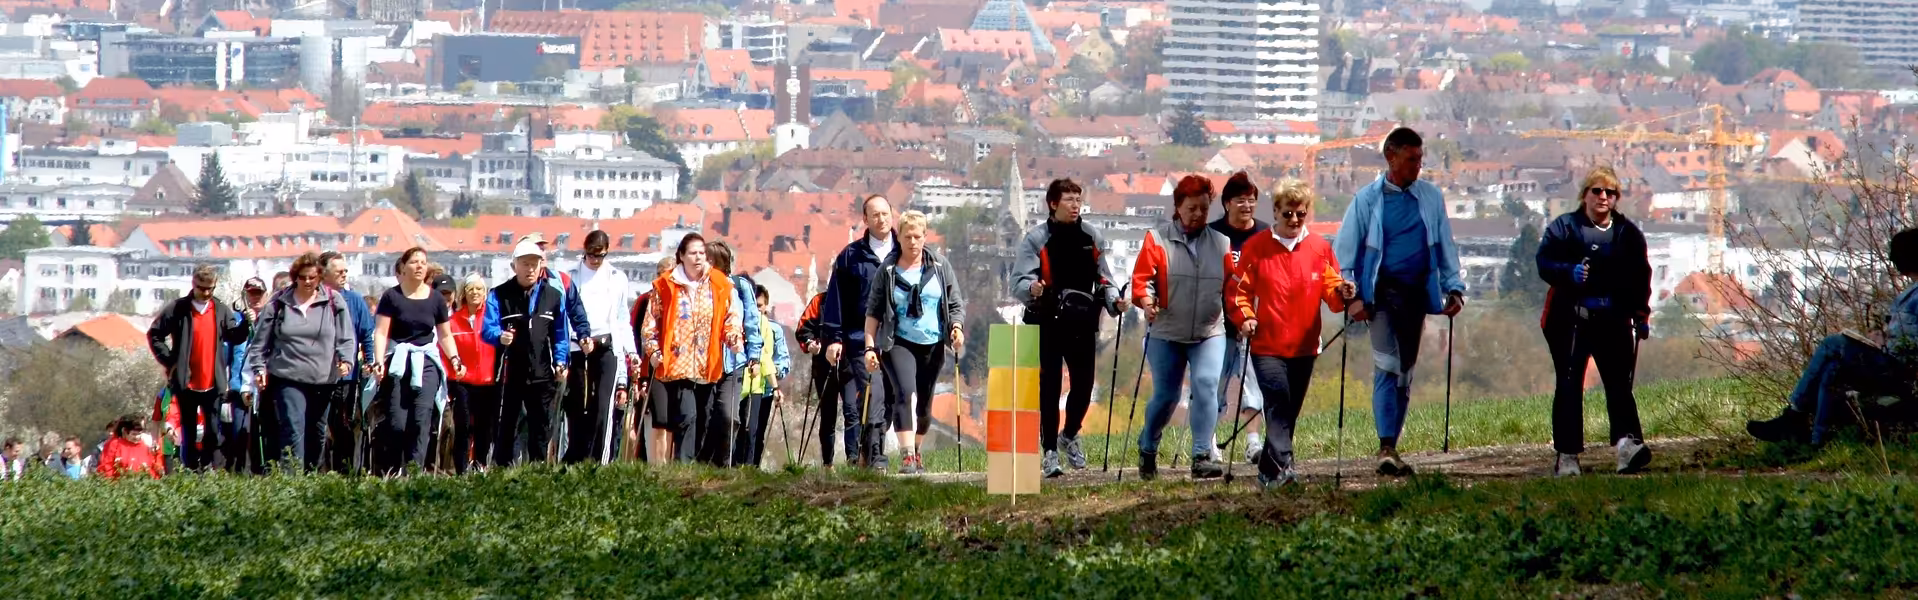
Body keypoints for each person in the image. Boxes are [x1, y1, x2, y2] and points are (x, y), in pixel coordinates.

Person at [1333, 127, 1467, 477]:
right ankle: (1385, 445)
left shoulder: (1431, 198)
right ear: (1391, 157)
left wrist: (1454, 288)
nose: (1417, 166)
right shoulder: (1367, 200)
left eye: (1420, 159)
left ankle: (1393, 444)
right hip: (1379, 297)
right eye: (1411, 159)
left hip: (1416, 296)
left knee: (1405, 372)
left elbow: (1444, 246)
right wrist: (1353, 298)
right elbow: (1344, 255)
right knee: (1387, 364)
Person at [1227, 179, 1355, 489]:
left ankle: (1268, 472)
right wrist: (1246, 318)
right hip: (1267, 344)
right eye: (1288, 214)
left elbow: (1331, 291)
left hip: (1305, 345)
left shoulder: (1319, 248)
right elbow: (1237, 291)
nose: (1295, 220)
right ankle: (1284, 467)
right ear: (1276, 212)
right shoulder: (1257, 247)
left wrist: (1343, 291)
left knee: (1289, 411)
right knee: (1278, 403)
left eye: (1301, 213)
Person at [1749, 228, 1918, 446]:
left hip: (1899, 368)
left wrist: (1885, 342)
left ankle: (1794, 415)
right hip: (1889, 361)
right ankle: (1817, 439)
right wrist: (1882, 336)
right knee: (1832, 369)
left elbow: (1911, 342)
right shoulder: (1910, 292)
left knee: (1832, 345)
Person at [1536, 166, 1654, 476]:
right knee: (1570, 383)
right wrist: (1568, 272)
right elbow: (1544, 262)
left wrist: (1641, 314)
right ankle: (1567, 454)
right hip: (1570, 318)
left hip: (1613, 319)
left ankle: (1628, 446)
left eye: (1611, 193)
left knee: (1619, 384)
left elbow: (1641, 276)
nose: (1604, 197)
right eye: (1597, 191)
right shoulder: (1564, 228)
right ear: (1585, 195)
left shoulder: (1628, 234)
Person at [1012, 178, 1124, 478]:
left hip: (1082, 323)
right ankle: (1049, 451)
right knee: (1048, 389)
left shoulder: (1092, 237)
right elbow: (1017, 281)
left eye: (1078, 199)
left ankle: (1070, 434)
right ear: (1053, 203)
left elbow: (1105, 279)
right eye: (1069, 199)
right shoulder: (1036, 239)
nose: (1076, 205)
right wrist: (1031, 288)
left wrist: (1115, 302)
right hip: (1046, 321)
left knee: (1084, 387)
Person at [1130, 175, 1234, 480]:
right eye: (1192, 208)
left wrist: (1243, 315)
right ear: (1178, 207)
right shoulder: (1157, 240)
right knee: (1166, 397)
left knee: (1205, 385)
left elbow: (1233, 288)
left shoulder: (1221, 244)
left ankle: (1202, 454)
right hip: (1167, 331)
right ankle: (1148, 445)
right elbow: (1141, 281)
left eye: (1204, 208)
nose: (1199, 215)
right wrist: (1146, 301)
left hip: (1209, 330)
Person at [861, 210, 964, 474]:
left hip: (932, 343)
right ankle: (906, 456)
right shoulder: (889, 269)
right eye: (907, 236)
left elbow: (954, 303)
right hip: (898, 341)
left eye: (918, 236)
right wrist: (870, 347)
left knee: (925, 406)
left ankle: (917, 449)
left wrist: (956, 327)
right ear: (900, 237)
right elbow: (873, 312)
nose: (913, 242)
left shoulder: (940, 267)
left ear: (925, 237)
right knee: (905, 393)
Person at [245, 252, 357, 472]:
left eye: (312, 277)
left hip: (323, 378)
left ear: (319, 278)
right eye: (303, 277)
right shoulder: (278, 303)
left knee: (316, 432)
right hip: (288, 377)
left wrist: (346, 360)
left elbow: (346, 336)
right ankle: (291, 481)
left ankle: (311, 478)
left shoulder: (334, 301)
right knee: (293, 428)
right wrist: (258, 368)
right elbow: (260, 341)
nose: (307, 282)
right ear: (295, 277)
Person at [641, 234, 744, 463]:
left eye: (701, 253)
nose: (698, 257)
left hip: (708, 365)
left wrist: (733, 337)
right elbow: (650, 323)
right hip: (678, 365)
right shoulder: (666, 285)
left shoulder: (719, 284)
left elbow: (730, 317)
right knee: (688, 416)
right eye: (693, 253)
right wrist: (654, 351)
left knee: (705, 418)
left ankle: (696, 467)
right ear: (681, 256)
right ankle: (683, 466)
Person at [146, 264, 253, 472]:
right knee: (188, 429)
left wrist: (245, 325)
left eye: (210, 289)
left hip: (213, 381)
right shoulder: (178, 309)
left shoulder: (220, 309)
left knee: (213, 431)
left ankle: (207, 467)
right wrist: (170, 360)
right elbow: (155, 334)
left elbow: (234, 337)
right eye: (201, 288)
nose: (205, 293)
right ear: (193, 284)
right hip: (186, 381)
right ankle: (190, 468)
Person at [822, 195, 901, 468]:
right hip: (859, 340)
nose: (882, 219)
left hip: (898, 341)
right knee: (873, 394)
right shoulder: (850, 256)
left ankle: (868, 452)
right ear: (865, 220)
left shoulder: (905, 252)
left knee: (890, 399)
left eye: (885, 213)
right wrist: (833, 339)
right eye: (875, 215)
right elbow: (835, 300)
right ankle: (876, 456)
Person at [370, 248, 465, 473]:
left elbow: (445, 334)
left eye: (423, 262)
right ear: (403, 267)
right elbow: (381, 332)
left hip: (427, 362)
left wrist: (454, 359)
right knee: (397, 422)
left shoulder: (435, 299)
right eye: (414, 262)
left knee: (421, 419)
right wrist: (378, 360)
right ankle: (393, 470)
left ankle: (414, 473)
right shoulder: (391, 296)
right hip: (398, 362)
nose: (420, 266)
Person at [484, 240, 574, 466]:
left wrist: (561, 361)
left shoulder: (554, 295)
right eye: (525, 263)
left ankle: (538, 474)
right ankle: (501, 471)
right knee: (506, 426)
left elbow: (561, 333)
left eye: (535, 263)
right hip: (509, 372)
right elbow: (487, 328)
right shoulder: (499, 294)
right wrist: (499, 336)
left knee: (541, 427)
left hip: (543, 372)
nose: (530, 268)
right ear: (514, 266)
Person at [1213, 172, 1273, 464]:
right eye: (1241, 200)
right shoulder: (1214, 235)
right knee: (1214, 385)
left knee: (1254, 385)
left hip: (1254, 326)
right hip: (1217, 325)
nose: (1247, 206)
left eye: (1251, 200)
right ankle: (1207, 444)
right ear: (1227, 204)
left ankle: (1253, 442)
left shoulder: (1265, 235)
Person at [564, 231, 637, 465]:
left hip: (607, 345)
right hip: (579, 347)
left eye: (600, 256)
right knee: (578, 406)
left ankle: (602, 461)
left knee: (603, 406)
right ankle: (575, 457)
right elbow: (566, 314)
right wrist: (575, 339)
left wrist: (631, 351)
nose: (595, 261)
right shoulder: (571, 276)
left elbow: (622, 317)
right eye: (591, 256)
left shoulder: (617, 277)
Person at [705, 240, 765, 467]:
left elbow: (751, 321)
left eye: (710, 260)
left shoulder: (739, 287)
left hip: (733, 362)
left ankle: (725, 463)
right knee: (704, 415)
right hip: (703, 363)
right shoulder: (700, 287)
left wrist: (754, 356)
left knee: (730, 416)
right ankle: (700, 464)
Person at [737, 284, 794, 469]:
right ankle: (739, 467)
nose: (757, 310)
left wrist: (772, 374)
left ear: (766, 306)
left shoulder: (774, 330)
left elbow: (783, 361)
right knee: (742, 430)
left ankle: (753, 468)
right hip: (744, 386)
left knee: (757, 432)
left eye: (760, 306)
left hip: (766, 389)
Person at [448, 274, 499, 472]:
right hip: (463, 380)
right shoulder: (454, 321)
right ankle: (460, 468)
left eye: (479, 289)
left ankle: (480, 464)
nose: (475, 293)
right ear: (464, 293)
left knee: (484, 427)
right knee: (463, 426)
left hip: (487, 381)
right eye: (471, 289)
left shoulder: (491, 318)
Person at [221, 276, 270, 474]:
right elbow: (226, 351)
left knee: (261, 433)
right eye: (251, 294)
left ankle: (262, 473)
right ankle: (239, 475)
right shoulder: (237, 319)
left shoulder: (271, 317)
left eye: (258, 293)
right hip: (237, 385)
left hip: (263, 384)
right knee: (239, 435)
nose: (255, 298)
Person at [631, 257, 676, 463]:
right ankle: (649, 464)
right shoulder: (645, 301)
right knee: (653, 419)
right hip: (650, 368)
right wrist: (638, 374)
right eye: (662, 274)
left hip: (677, 368)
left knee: (672, 420)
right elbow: (635, 336)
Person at [796, 291, 839, 467]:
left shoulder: (858, 297)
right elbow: (802, 329)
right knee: (828, 415)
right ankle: (828, 464)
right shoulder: (820, 300)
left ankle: (857, 459)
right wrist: (809, 343)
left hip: (851, 365)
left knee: (854, 411)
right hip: (823, 366)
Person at [97, 416, 164, 479]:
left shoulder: (145, 445)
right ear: (125, 431)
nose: (137, 437)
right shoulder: (114, 444)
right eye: (134, 434)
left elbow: (153, 466)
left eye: (139, 434)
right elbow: (106, 467)